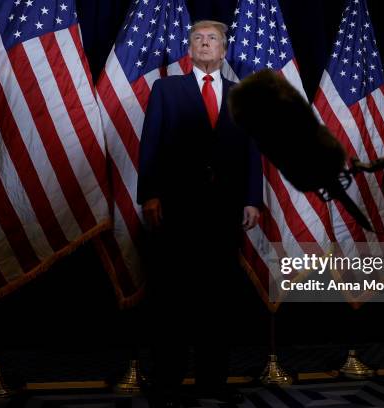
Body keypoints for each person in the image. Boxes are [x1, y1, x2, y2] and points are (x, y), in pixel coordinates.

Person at [137, 20, 263, 407]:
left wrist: (252, 199)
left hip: (223, 211)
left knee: (217, 300)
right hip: (177, 207)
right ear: (189, 49)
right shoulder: (166, 89)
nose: (205, 44)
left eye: (212, 40)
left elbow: (251, 152)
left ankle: (212, 381)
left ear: (224, 50)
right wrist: (150, 195)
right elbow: (151, 143)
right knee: (173, 298)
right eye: (198, 39)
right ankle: (167, 384)